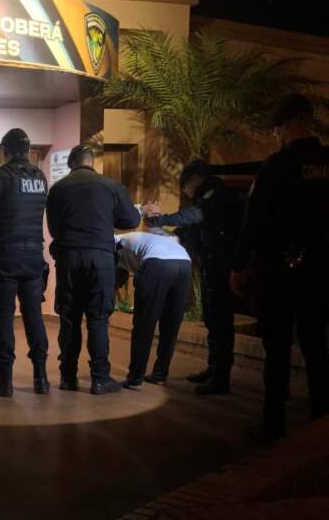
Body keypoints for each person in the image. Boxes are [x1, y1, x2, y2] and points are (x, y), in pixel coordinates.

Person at [231, 94, 329, 443]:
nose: (276, 136)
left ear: (289, 124)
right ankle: (320, 419)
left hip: (281, 271)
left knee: (277, 349)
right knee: (317, 346)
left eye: (277, 129)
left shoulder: (276, 166)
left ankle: (274, 423)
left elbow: (254, 220)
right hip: (320, 272)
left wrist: (239, 267)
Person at [143, 160, 243, 395]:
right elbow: (189, 228)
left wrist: (161, 220)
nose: (185, 191)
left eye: (185, 185)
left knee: (220, 322)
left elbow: (192, 216)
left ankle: (221, 376)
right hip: (211, 267)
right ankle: (213, 368)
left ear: (196, 179)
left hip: (222, 267)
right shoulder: (208, 197)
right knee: (212, 320)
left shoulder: (216, 196)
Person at [46, 143, 139, 394]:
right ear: (92, 162)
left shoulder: (58, 189)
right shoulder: (110, 186)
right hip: (100, 259)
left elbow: (54, 229)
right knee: (98, 318)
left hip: (68, 258)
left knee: (69, 319)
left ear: (71, 164)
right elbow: (132, 219)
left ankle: (68, 377)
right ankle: (100, 379)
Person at [0, 127, 49, 398]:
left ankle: (4, 381)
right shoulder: (40, 177)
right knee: (34, 316)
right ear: (27, 150)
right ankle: (41, 378)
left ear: (4, 151)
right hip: (34, 257)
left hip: (6, 256)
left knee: (3, 318)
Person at [115, 230, 192, 388]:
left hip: (157, 263)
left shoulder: (114, 241)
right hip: (184, 263)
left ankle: (135, 378)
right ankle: (160, 374)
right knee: (170, 325)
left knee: (144, 324)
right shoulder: (141, 239)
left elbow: (115, 275)